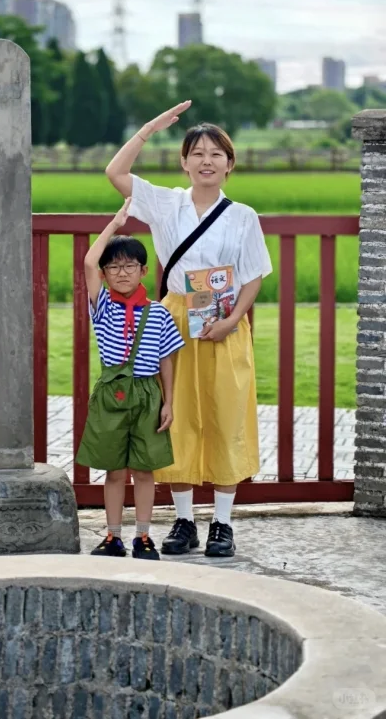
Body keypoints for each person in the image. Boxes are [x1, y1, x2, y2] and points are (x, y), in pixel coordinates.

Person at [105, 101, 272, 557]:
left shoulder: (243, 216)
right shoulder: (167, 203)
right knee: (173, 419)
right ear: (183, 161)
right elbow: (116, 173)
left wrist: (234, 319)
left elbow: (254, 273)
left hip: (223, 322)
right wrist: (149, 128)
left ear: (229, 164)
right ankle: (183, 521)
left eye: (216, 154)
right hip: (174, 319)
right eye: (196, 152)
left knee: (224, 414)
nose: (206, 161)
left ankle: (222, 524)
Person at [76, 198, 185, 560]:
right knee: (114, 470)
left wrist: (168, 401)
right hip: (112, 395)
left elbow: (168, 359)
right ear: (105, 275)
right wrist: (115, 224)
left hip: (147, 394)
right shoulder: (102, 307)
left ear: (143, 271)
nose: (122, 273)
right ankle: (112, 536)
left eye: (130, 266)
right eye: (114, 267)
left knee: (144, 470)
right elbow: (88, 261)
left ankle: (142, 536)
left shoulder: (158, 313)